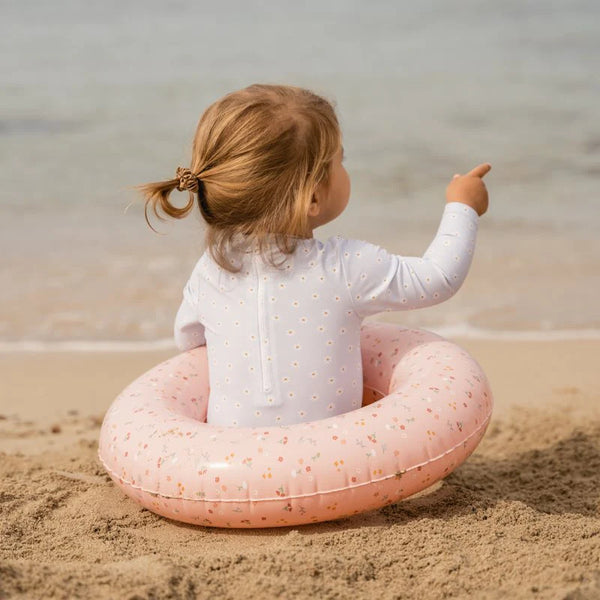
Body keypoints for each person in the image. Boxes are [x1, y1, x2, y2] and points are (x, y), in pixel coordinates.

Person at [135, 83, 491, 428]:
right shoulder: (345, 266)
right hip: (336, 466)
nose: (345, 169)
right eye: (341, 161)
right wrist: (462, 206)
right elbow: (438, 279)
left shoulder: (211, 269)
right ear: (314, 198)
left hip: (235, 470)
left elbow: (189, 341)